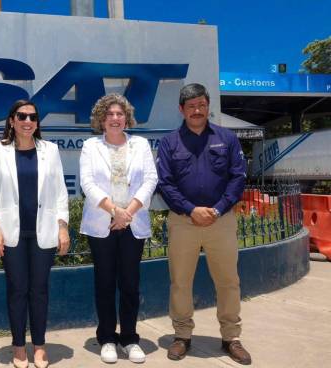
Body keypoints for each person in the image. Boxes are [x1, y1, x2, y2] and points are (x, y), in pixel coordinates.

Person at [156, 83, 251, 365]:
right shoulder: (169, 142)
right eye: (191, 106)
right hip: (183, 222)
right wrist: (190, 210)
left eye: (201, 105)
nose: (196, 110)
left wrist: (219, 208)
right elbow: (165, 183)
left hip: (220, 221)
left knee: (228, 281)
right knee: (180, 282)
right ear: (181, 109)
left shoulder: (227, 138)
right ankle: (182, 336)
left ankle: (231, 337)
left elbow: (238, 177)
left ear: (208, 106)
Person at [0, 100, 70, 368]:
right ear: (11, 120)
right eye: (22, 116)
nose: (27, 121)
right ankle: (19, 347)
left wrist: (63, 227)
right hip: (12, 234)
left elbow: (59, 192)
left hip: (43, 232)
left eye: (33, 117)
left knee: (40, 291)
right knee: (17, 290)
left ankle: (40, 347)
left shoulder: (50, 150)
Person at [79, 94, 157, 364]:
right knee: (104, 283)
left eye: (120, 114)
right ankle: (107, 338)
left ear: (127, 118)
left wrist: (128, 213)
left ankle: (130, 338)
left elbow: (150, 179)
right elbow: (87, 183)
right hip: (102, 223)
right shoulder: (91, 146)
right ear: (101, 119)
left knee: (130, 284)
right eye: (109, 114)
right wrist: (115, 211)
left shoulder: (141, 144)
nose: (115, 118)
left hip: (132, 224)